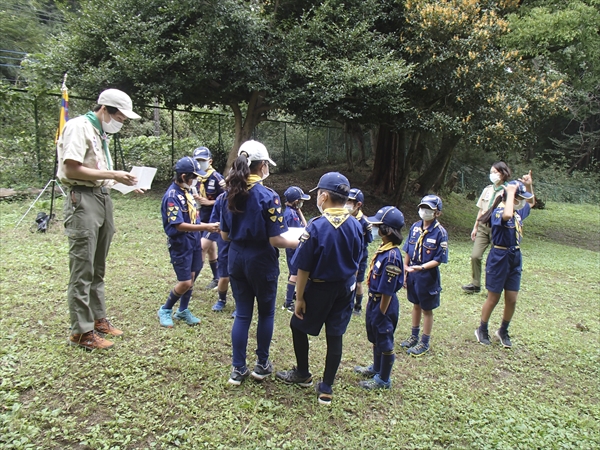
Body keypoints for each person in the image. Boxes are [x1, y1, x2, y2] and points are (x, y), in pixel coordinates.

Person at [58, 88, 141, 351]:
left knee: (98, 265)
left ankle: (98, 318)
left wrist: (121, 183)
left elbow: (97, 173)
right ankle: (81, 332)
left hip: (102, 197)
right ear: (105, 109)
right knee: (83, 268)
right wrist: (115, 174)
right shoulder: (78, 127)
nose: (122, 122)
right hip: (82, 200)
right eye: (121, 117)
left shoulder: (98, 132)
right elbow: (71, 168)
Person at [276, 172, 363, 406]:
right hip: (344, 290)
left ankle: (302, 373)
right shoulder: (356, 225)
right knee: (335, 336)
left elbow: (303, 268)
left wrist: (299, 297)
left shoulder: (316, 225)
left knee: (297, 325)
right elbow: (357, 260)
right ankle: (327, 388)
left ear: (324, 196)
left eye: (318, 195)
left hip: (318, 289)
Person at [220, 140, 298, 385]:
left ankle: (237, 368)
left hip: (236, 257)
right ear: (262, 165)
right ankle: (262, 364)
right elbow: (276, 239)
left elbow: (224, 235)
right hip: (261, 260)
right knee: (265, 314)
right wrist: (300, 242)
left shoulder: (228, 193)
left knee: (242, 314)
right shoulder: (268, 196)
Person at [158, 157, 220, 328]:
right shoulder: (172, 196)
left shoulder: (188, 193)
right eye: (193, 176)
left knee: (192, 278)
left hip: (194, 241)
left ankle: (183, 310)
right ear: (183, 176)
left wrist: (204, 228)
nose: (195, 180)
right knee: (185, 282)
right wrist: (207, 226)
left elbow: (194, 218)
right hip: (181, 244)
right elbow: (178, 225)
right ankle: (165, 309)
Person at [475, 176, 535, 348]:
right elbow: (507, 214)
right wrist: (508, 194)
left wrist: (529, 185)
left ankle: (503, 329)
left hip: (515, 256)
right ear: (509, 197)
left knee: (512, 298)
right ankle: (482, 328)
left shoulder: (517, 211)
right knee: (493, 297)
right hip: (499, 257)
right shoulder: (500, 211)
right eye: (518, 198)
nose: (521, 201)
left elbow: (531, 203)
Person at [354, 206, 405, 390]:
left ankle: (384, 379)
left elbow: (388, 291)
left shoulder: (392, 256)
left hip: (385, 303)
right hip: (374, 300)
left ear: (387, 230)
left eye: (378, 225)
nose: (374, 228)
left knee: (384, 339)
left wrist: (381, 313)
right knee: (375, 337)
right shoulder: (384, 249)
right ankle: (376, 368)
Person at [400, 195, 448, 357]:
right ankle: (414, 336)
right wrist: (406, 269)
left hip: (427, 276)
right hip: (413, 273)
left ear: (437, 213)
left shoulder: (440, 232)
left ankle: (424, 342)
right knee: (415, 304)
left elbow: (439, 259)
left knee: (427, 309)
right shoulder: (415, 227)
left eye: (429, 209)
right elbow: (408, 249)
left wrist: (421, 267)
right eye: (422, 207)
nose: (424, 211)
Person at [462, 162, 511, 294]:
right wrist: (475, 227)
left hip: (498, 227)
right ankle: (475, 284)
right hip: (483, 226)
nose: (492, 175)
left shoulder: (508, 191)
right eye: (491, 172)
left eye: (495, 172)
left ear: (503, 173)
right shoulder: (487, 189)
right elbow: (481, 210)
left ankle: (494, 287)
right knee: (475, 256)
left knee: (494, 259)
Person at [192, 146, 225, 290]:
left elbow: (226, 198)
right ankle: (217, 278)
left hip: (215, 219)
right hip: (201, 217)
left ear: (210, 161)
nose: (200, 163)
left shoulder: (217, 178)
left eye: (202, 160)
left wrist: (210, 202)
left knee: (201, 248)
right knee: (211, 249)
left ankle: (189, 283)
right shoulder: (195, 177)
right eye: (197, 160)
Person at [345, 188, 373, 316]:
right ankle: (347, 303)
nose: (347, 203)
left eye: (350, 201)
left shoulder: (364, 222)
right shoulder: (343, 217)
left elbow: (368, 240)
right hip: (346, 253)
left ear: (358, 205)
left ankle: (357, 305)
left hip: (360, 256)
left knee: (358, 281)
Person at [282, 186, 310, 312]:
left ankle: (292, 293)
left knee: (293, 272)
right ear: (295, 201)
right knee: (295, 275)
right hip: (294, 247)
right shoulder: (291, 215)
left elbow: (306, 225)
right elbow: (302, 229)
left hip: (292, 247)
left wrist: (299, 211)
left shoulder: (293, 212)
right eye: (300, 200)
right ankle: (287, 303)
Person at [209, 191, 233, 316]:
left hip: (241, 241)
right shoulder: (222, 198)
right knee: (224, 275)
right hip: (224, 240)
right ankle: (221, 299)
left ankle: (240, 305)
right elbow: (215, 221)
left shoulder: (248, 196)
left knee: (239, 277)